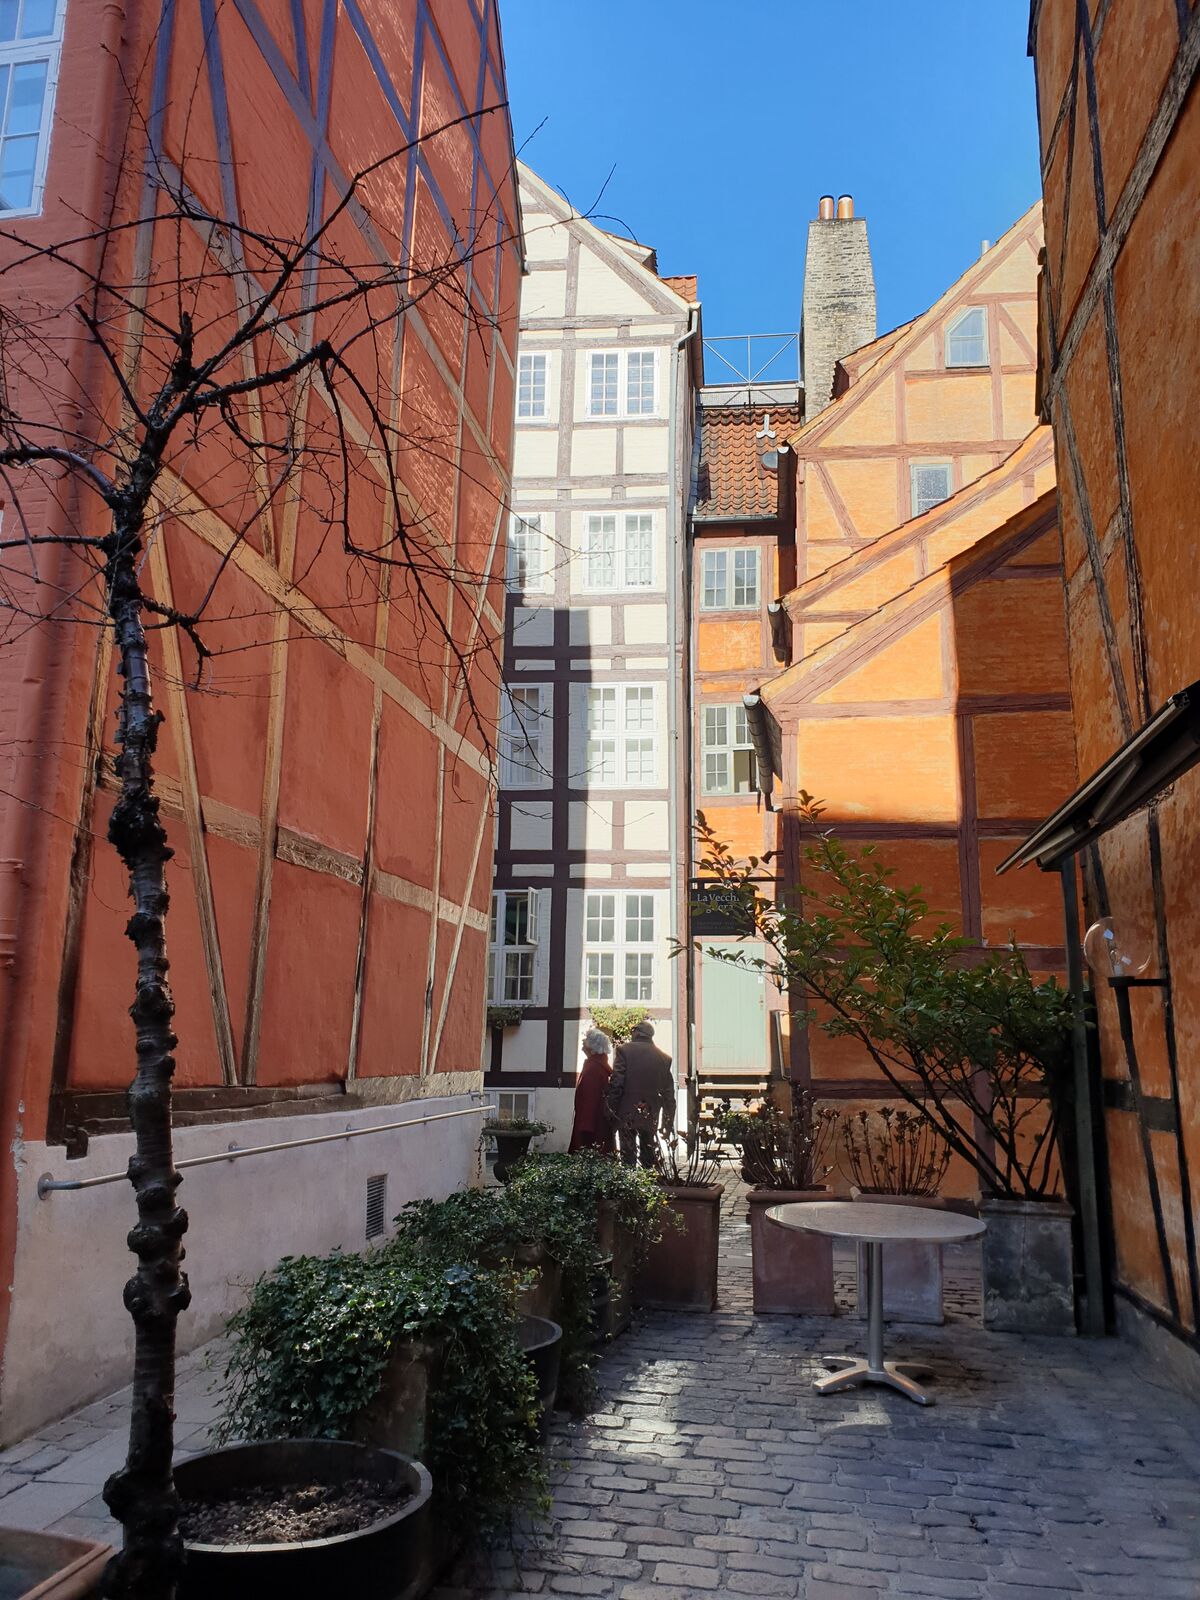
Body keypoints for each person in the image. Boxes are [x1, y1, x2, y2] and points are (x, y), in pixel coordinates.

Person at [607, 1019, 675, 1168]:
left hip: (627, 1114)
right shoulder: (664, 1058)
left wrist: (610, 1111)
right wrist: (667, 1123)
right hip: (650, 1114)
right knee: (648, 1155)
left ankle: (630, 1187)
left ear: (636, 1033)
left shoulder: (624, 1051)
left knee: (627, 1156)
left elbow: (616, 1084)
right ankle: (647, 1186)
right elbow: (669, 1095)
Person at [568, 1027, 616, 1155]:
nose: (583, 1042)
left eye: (587, 1040)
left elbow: (590, 1098)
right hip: (594, 1122)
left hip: (590, 1126)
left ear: (593, 1046)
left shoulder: (593, 1068)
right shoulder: (597, 1065)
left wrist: (585, 1126)